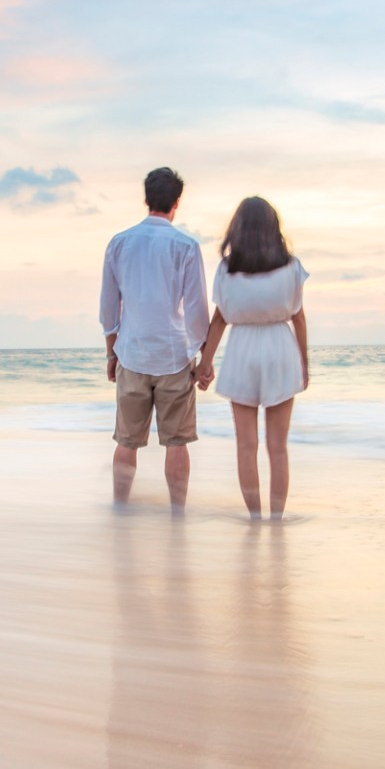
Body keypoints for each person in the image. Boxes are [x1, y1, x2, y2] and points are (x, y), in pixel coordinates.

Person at [99, 167, 210, 511]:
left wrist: (111, 355)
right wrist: (203, 360)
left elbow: (108, 309)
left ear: (146, 199)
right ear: (177, 202)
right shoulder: (186, 246)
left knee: (127, 441)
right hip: (174, 355)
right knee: (177, 442)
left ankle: (120, 510)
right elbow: (196, 311)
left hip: (132, 352)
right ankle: (178, 515)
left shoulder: (119, 243)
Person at [194, 197, 309, 520]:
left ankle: (255, 518)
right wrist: (304, 363)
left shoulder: (227, 269)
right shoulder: (291, 266)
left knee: (246, 445)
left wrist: (204, 365)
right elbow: (298, 318)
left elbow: (219, 320)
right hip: (280, 349)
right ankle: (276, 520)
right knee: (278, 447)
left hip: (242, 349)